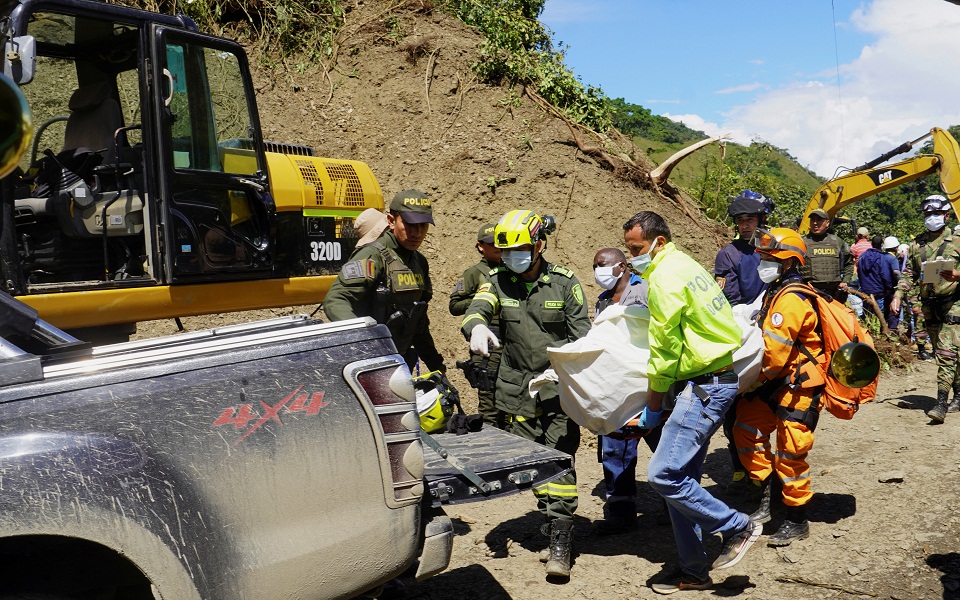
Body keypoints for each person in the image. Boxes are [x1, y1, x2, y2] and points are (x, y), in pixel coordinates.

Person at [622, 211, 761, 594]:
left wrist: (652, 406)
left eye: (635, 248)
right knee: (681, 480)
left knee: (663, 474)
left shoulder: (665, 277)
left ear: (658, 242)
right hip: (714, 378)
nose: (631, 255)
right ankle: (694, 569)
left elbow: (664, 350)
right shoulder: (685, 265)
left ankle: (738, 526)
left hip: (704, 385)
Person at [461, 209, 589, 579]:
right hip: (517, 392)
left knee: (559, 460)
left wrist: (562, 365)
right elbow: (476, 308)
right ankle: (552, 518)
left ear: (538, 245)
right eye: (506, 251)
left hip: (559, 389)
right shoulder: (497, 280)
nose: (512, 257)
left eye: (520, 249)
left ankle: (561, 540)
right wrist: (477, 327)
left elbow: (584, 337)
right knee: (533, 465)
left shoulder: (565, 284)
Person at [734, 227, 822, 547]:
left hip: (797, 387)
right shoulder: (775, 291)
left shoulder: (792, 297)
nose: (762, 263)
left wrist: (745, 383)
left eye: (769, 258)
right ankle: (769, 497)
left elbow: (774, 356)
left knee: (790, 455)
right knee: (745, 428)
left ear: (787, 263)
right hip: (776, 383)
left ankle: (797, 520)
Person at [323, 190, 447, 376]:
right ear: (391, 220)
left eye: (423, 225)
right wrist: (364, 339)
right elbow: (336, 300)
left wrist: (437, 368)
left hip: (399, 362)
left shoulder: (419, 262)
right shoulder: (373, 256)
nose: (417, 232)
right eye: (409, 224)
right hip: (367, 364)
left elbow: (419, 323)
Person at [591, 247, 665, 534]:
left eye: (602, 265)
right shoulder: (602, 302)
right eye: (595, 265)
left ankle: (677, 509)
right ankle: (621, 513)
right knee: (615, 449)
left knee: (663, 445)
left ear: (622, 266)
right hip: (617, 389)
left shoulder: (647, 291)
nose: (597, 271)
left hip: (652, 384)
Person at [713, 190, 769, 499]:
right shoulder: (728, 254)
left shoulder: (772, 248)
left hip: (774, 328)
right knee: (731, 404)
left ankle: (766, 468)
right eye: (740, 220)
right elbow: (727, 299)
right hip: (740, 333)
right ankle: (739, 467)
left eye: (750, 219)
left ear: (761, 220)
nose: (745, 225)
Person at [891, 194, 960, 422]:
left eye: (937, 214)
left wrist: (958, 275)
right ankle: (959, 394)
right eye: (928, 214)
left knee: (947, 353)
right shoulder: (916, 244)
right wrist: (898, 294)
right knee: (947, 355)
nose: (932, 218)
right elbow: (909, 273)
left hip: (953, 304)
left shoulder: (958, 240)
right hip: (929, 305)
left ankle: (940, 403)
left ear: (947, 216)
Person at [449, 223, 503, 427]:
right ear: (481, 246)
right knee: (488, 399)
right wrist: (483, 299)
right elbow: (454, 305)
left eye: (500, 242)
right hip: (485, 340)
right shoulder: (474, 273)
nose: (497, 247)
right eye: (491, 243)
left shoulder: (512, 271)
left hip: (509, 339)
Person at [802, 208, 854, 300]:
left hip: (833, 294)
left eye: (819, 220)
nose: (815, 223)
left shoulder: (837, 242)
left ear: (827, 223)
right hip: (809, 292)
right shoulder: (802, 242)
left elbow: (849, 263)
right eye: (812, 220)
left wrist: (845, 281)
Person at [857, 235, 898, 324]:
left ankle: (868, 332)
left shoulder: (862, 256)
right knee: (878, 315)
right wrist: (888, 287)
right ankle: (878, 334)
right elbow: (885, 275)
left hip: (865, 290)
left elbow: (859, 272)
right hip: (879, 291)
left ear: (871, 244)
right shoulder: (882, 257)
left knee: (867, 314)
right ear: (881, 245)